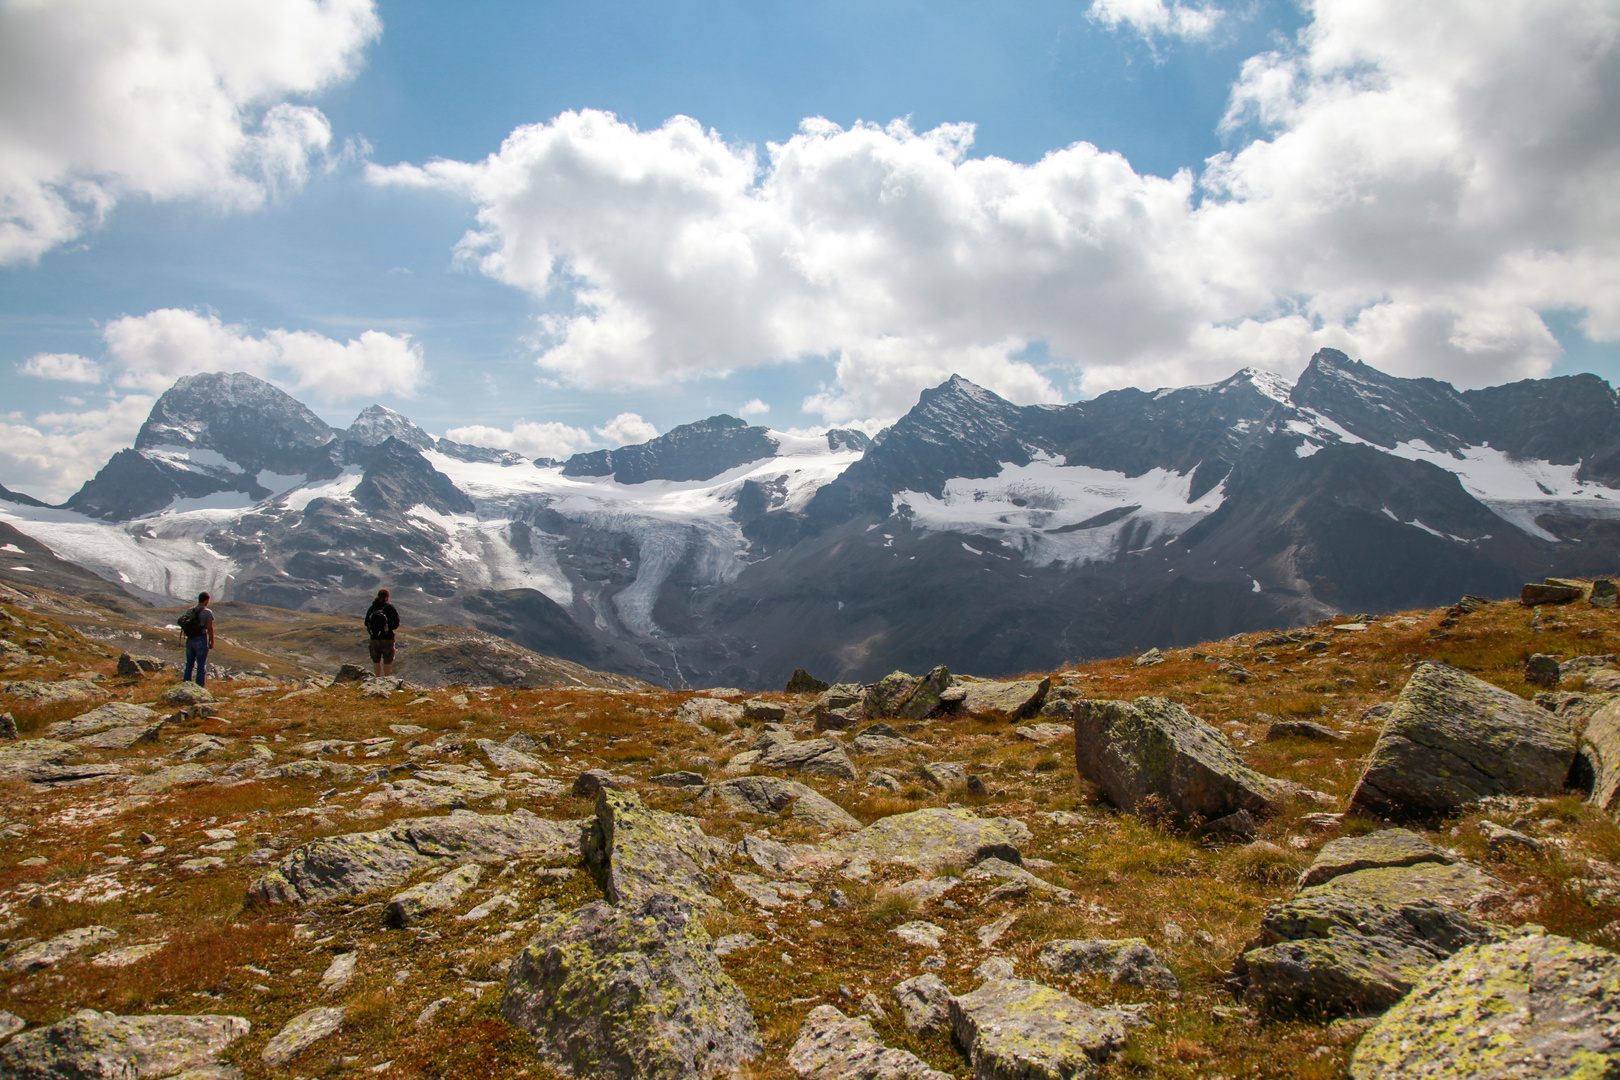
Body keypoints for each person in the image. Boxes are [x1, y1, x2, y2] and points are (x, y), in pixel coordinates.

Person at [179, 591, 215, 686]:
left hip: (190, 639)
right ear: (206, 600)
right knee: (201, 665)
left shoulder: (190, 611)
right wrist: (211, 641)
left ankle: (186, 685)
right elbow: (210, 628)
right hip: (201, 639)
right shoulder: (207, 612)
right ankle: (199, 687)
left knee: (189, 664)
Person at [365, 588, 401, 676]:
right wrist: (388, 629)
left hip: (374, 638)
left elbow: (366, 622)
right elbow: (396, 623)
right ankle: (387, 679)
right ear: (387, 597)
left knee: (376, 659)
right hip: (387, 638)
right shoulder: (389, 607)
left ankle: (377, 678)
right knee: (387, 659)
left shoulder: (372, 607)